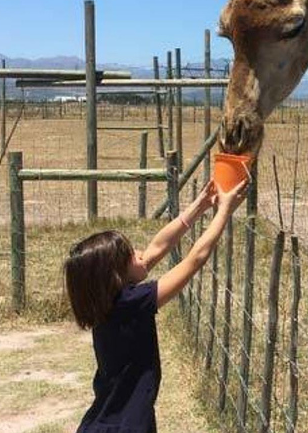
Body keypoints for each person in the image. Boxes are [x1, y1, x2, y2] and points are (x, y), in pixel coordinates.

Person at [63, 178, 248, 433]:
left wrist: (201, 205)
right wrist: (224, 211)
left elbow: (158, 247)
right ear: (116, 276)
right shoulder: (131, 303)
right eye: (132, 253)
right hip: (127, 426)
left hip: (106, 421)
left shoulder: (109, 301)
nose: (141, 253)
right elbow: (195, 259)